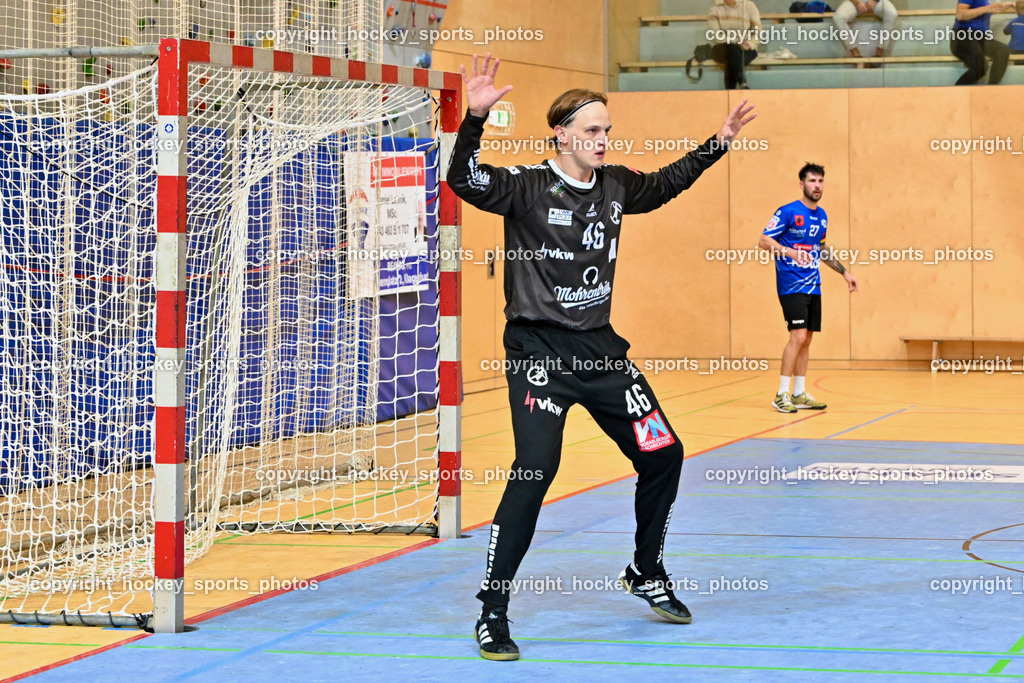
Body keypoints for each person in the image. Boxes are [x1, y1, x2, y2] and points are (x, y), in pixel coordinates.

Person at [446, 53, 755, 662]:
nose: (603, 140)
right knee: (534, 473)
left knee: (664, 453)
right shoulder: (525, 187)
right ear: (559, 134)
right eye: (591, 130)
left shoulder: (616, 185)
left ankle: (645, 569)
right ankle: (492, 609)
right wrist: (474, 120)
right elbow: (462, 180)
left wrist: (716, 143)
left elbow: (666, 184)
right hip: (538, 353)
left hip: (600, 353)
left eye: (608, 130)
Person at [757, 163, 858, 414]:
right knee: (798, 335)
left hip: (814, 285)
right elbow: (763, 240)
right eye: (812, 181)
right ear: (802, 184)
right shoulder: (788, 212)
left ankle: (799, 392)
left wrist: (845, 273)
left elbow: (821, 249)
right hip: (791, 284)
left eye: (821, 181)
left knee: (808, 339)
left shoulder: (822, 215)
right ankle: (781, 393)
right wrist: (788, 250)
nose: (817, 186)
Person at [950, 0, 1014, 84]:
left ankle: (991, 90)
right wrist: (986, 9)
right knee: (981, 66)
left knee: (1002, 51)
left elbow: (995, 8)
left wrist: (1011, 4)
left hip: (979, 38)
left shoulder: (985, 1)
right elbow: (960, 14)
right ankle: (956, 92)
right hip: (963, 36)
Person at [707, 0, 762, 89]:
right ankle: (742, 81)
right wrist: (736, 41)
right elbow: (716, 35)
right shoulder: (714, 9)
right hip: (722, 47)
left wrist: (750, 44)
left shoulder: (749, 6)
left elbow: (758, 31)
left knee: (733, 60)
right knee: (731, 49)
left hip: (745, 48)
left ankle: (730, 94)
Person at [832, 0, 899, 65]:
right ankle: (855, 53)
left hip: (877, 1)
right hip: (855, 2)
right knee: (838, 17)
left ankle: (879, 53)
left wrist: (874, 0)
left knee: (892, 13)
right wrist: (857, 2)